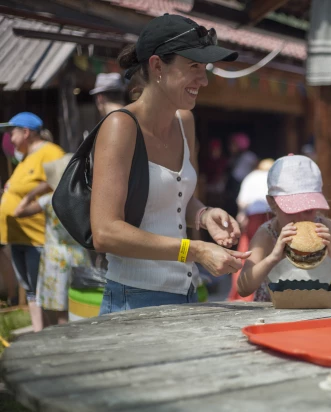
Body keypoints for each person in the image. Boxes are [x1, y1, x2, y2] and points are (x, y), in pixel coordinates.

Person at [90, 13, 247, 314]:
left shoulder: (184, 121)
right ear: (157, 66)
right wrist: (195, 249)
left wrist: (203, 214)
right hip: (132, 298)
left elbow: (172, 200)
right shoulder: (120, 126)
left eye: (205, 69)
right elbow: (105, 232)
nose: (203, 80)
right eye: (194, 67)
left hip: (187, 293)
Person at [236, 155, 331, 300]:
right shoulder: (267, 234)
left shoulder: (325, 227)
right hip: (272, 312)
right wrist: (272, 258)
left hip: (316, 310)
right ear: (272, 203)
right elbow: (243, 288)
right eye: (291, 210)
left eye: (308, 210)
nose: (300, 219)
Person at [0, 112, 65, 331]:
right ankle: (40, 334)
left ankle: (52, 337)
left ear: (26, 132)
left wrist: (27, 200)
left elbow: (61, 185)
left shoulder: (50, 152)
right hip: (18, 238)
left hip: (39, 239)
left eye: (12, 132)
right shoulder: (25, 157)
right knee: (30, 290)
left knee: (43, 292)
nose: (9, 137)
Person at [13, 154, 92, 327]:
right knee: (80, 307)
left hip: (55, 258)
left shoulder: (49, 200)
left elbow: (18, 211)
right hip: (79, 255)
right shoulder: (84, 199)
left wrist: (35, 191)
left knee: (60, 310)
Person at [228, 158, 274, 301]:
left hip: (253, 217)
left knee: (246, 254)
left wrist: (241, 215)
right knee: (271, 253)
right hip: (271, 216)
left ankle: (241, 294)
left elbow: (242, 201)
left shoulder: (251, 177)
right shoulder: (273, 177)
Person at [225, 133, 258, 218]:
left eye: (233, 145)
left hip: (244, 184)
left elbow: (256, 169)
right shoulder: (233, 158)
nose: (231, 147)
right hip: (234, 185)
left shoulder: (249, 156)